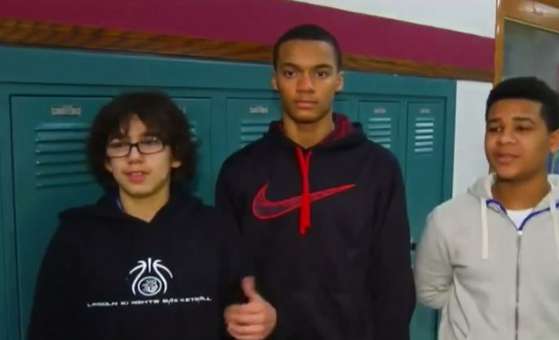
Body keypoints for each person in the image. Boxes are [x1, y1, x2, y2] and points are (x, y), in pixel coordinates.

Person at [216, 24, 415, 340]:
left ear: (339, 81)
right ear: (275, 80)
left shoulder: (378, 167)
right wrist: (232, 309)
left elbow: (394, 281)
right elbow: (226, 273)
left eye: (320, 73)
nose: (306, 86)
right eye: (292, 73)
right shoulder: (240, 170)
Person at [28, 91, 263, 339]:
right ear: (107, 161)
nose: (134, 157)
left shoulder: (216, 230)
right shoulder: (75, 237)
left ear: (175, 156)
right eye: (119, 145)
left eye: (150, 142)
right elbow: (47, 330)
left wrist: (260, 320)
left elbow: (243, 322)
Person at [415, 77, 559, 340]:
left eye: (522, 128)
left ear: (555, 141)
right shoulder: (447, 220)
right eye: (495, 128)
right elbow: (431, 292)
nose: (505, 139)